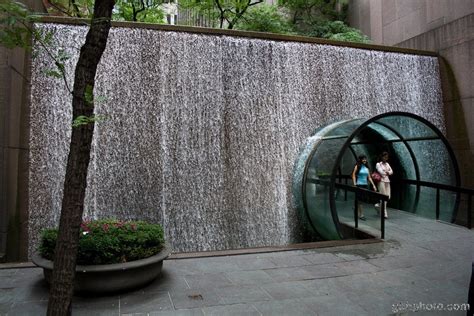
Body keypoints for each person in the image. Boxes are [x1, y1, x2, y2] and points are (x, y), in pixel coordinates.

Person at [352, 155, 377, 220]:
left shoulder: (367, 168)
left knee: (361, 200)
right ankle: (361, 215)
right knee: (360, 200)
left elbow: (369, 177)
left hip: (365, 185)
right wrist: (354, 183)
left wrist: (373, 185)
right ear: (360, 160)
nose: (364, 160)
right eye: (363, 159)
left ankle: (355, 207)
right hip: (359, 184)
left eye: (365, 159)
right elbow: (353, 175)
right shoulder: (357, 166)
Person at [375, 151, 393, 219]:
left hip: (387, 181)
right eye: (385, 157)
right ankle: (384, 212)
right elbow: (381, 173)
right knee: (383, 197)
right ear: (382, 157)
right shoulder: (378, 164)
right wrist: (387, 172)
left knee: (388, 196)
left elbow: (392, 172)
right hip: (381, 181)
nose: (386, 158)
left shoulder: (387, 164)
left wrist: (387, 172)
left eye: (387, 157)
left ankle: (377, 205)